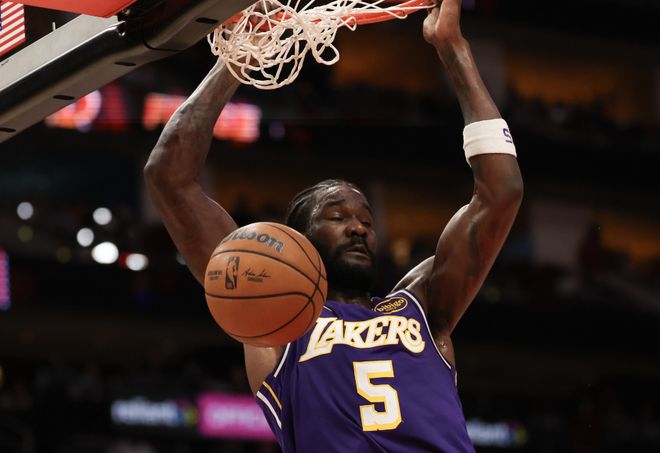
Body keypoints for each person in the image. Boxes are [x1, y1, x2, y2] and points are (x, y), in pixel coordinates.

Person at [144, 0, 523, 451]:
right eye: (338, 217)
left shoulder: (421, 305)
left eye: (366, 220)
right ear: (299, 241)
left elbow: (501, 194)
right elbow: (169, 177)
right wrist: (236, 62)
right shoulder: (271, 314)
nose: (359, 228)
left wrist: (453, 49)